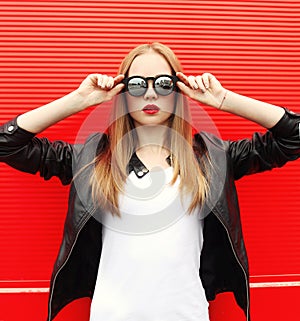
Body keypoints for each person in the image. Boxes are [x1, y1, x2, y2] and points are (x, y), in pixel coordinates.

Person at [0, 42, 299, 321]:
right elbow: (7, 144)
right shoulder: (92, 158)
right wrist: (78, 101)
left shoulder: (213, 158)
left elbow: (294, 137)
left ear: (179, 91)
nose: (151, 94)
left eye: (164, 84)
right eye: (138, 84)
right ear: (123, 92)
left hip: (187, 314)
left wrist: (224, 100)